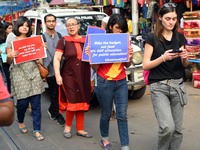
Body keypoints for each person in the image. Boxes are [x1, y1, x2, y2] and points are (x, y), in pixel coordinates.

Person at [142, 3, 189, 150]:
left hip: (178, 86)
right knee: (167, 127)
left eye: (174, 19)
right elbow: (145, 65)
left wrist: (185, 57)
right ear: (160, 18)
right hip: (159, 87)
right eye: (168, 18)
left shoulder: (179, 37)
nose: (171, 22)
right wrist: (163, 58)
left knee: (177, 130)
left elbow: (185, 64)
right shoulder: (152, 38)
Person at [91, 14, 133, 150]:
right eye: (117, 28)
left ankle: (125, 145)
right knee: (106, 113)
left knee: (122, 114)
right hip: (104, 82)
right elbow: (95, 68)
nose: (120, 31)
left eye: (122, 29)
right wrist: (93, 56)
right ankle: (105, 139)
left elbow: (127, 65)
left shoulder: (125, 40)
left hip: (121, 81)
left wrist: (130, 56)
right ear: (110, 27)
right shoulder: (100, 41)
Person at [6, 16, 45, 141]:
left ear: (29, 28)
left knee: (36, 104)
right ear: (18, 26)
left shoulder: (34, 39)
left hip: (34, 73)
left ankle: (37, 130)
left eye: (27, 26)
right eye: (22, 25)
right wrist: (10, 55)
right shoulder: (12, 40)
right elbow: (8, 61)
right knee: (22, 103)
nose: (24, 27)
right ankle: (21, 120)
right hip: (19, 73)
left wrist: (41, 51)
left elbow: (39, 60)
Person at [54, 17, 92, 139]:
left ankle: (80, 129)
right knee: (72, 101)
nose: (71, 27)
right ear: (66, 27)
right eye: (68, 25)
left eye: (73, 24)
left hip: (84, 75)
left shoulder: (86, 41)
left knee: (81, 99)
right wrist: (57, 75)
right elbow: (57, 58)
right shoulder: (63, 40)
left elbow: (94, 58)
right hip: (68, 76)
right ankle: (68, 127)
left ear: (78, 26)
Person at [43, 14, 65, 126]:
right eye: (49, 21)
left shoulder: (60, 36)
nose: (51, 23)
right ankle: (57, 115)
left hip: (61, 70)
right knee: (54, 93)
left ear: (55, 23)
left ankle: (52, 110)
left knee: (59, 93)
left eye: (53, 21)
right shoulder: (41, 38)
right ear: (45, 23)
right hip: (49, 71)